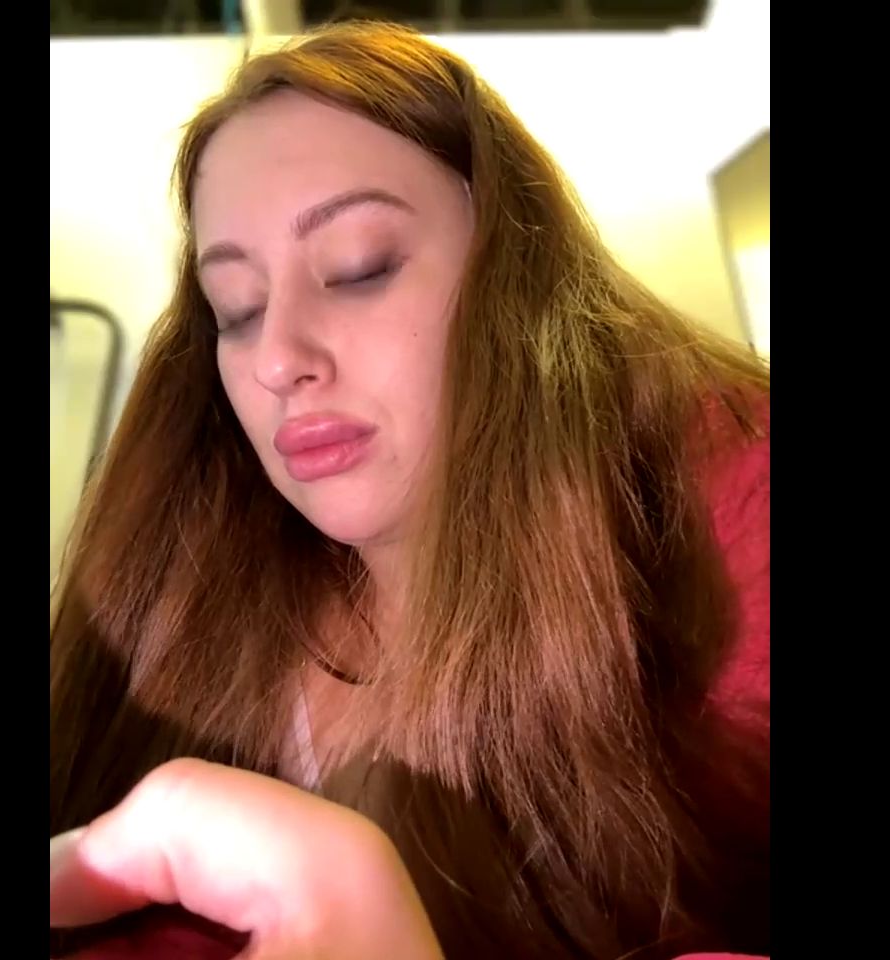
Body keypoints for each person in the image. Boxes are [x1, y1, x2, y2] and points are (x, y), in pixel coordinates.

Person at [49, 19, 770, 960]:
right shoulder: (175, 597)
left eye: (360, 268)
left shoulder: (726, 501)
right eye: (237, 309)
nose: (277, 359)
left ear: (514, 270)